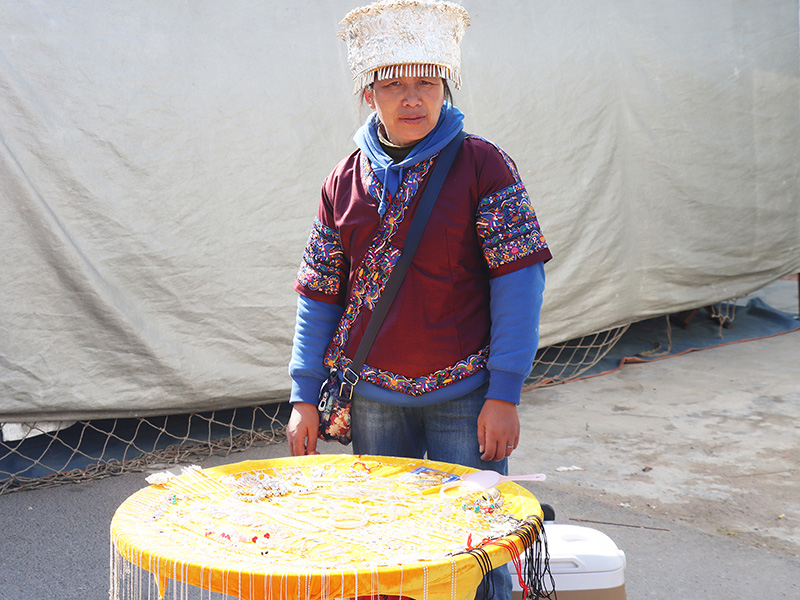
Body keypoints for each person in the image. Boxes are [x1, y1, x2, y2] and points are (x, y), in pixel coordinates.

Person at [287, 1, 551, 597]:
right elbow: (319, 293)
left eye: (427, 83)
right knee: (388, 544)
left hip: (467, 398)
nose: (414, 99)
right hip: (375, 400)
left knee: (477, 549)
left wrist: (505, 392)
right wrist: (304, 397)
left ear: (446, 87)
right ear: (368, 96)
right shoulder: (343, 180)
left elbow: (520, 282)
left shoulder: (484, 165)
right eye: (396, 85)